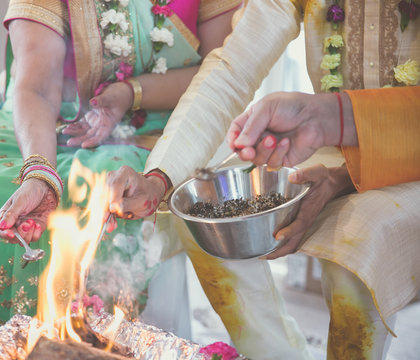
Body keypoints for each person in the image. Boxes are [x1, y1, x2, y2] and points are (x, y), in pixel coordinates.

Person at [0, 1, 241, 358]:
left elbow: (224, 72)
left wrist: (131, 92)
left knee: (104, 199)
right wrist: (40, 174)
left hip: (152, 122)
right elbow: (38, 88)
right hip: (38, 119)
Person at [106, 0, 420, 359]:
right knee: (203, 199)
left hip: (411, 153)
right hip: (324, 141)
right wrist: (159, 177)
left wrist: (340, 168)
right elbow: (231, 69)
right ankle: (276, 354)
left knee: (358, 236)